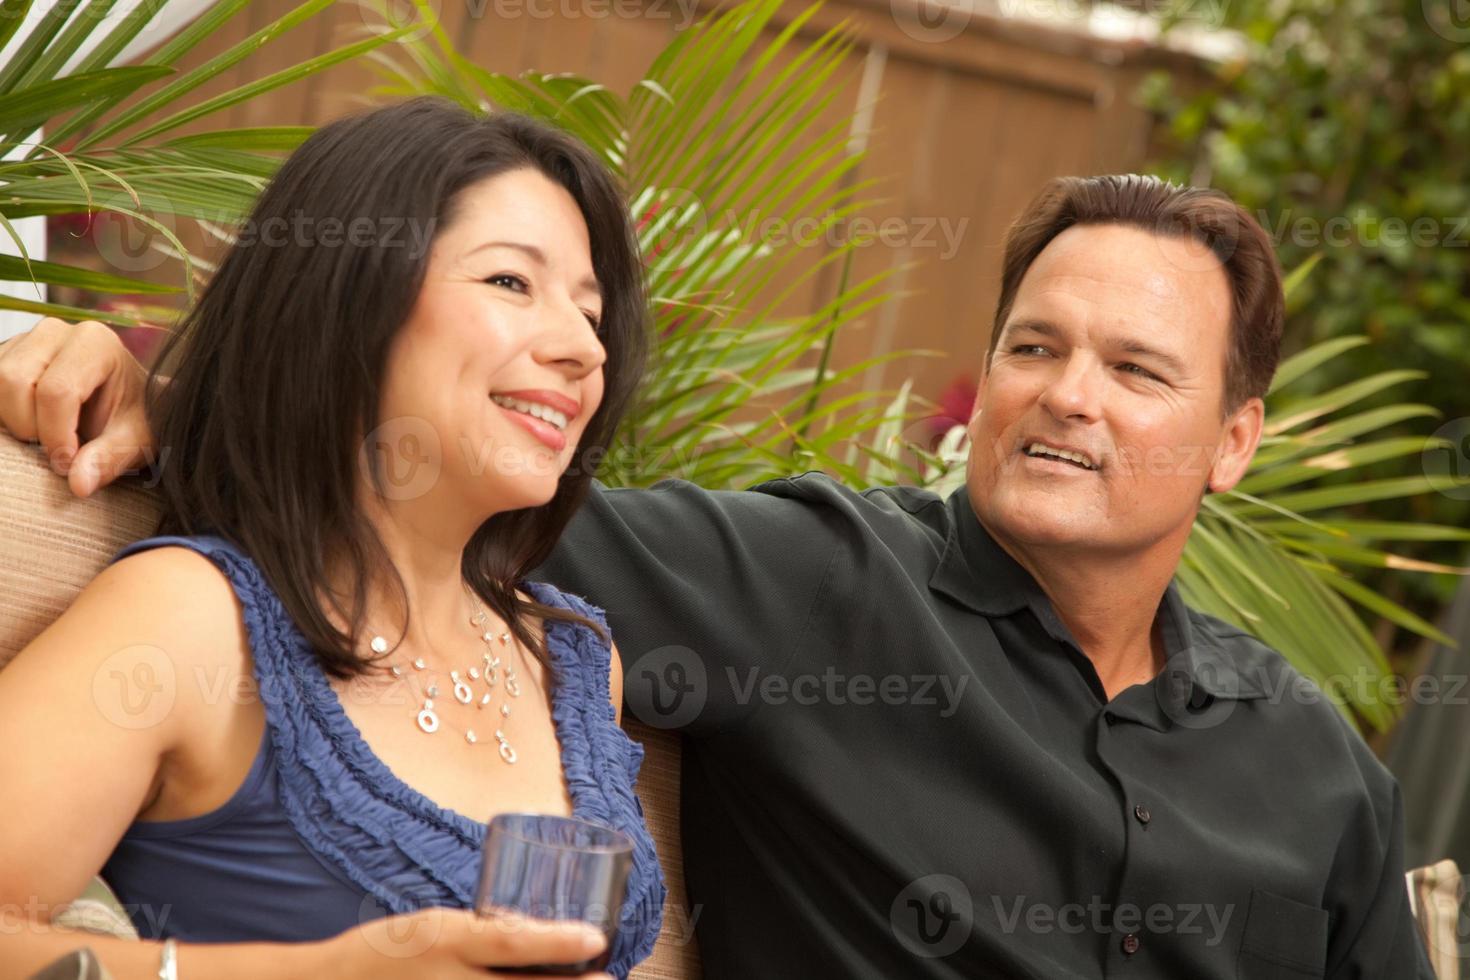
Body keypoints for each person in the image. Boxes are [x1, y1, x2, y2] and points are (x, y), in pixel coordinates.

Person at [0, 175, 1435, 978]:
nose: (1069, 396)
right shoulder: (808, 587)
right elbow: (439, 480)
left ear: (1231, 442)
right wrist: (153, 388)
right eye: (1034, 347)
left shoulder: (1314, 775)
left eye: (1134, 371)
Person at [0, 97, 666, 979]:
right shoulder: (194, 621)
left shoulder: (576, 661)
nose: (584, 348)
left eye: (591, 312)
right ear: (349, 294)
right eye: (510, 282)